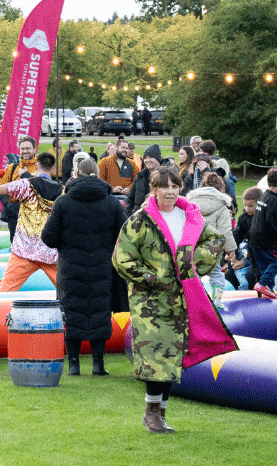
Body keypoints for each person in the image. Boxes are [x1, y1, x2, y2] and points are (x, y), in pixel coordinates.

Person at [112, 165, 237, 434]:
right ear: (153, 190)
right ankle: (151, 413)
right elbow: (121, 257)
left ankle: (160, 414)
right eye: (163, 186)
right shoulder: (140, 220)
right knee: (156, 355)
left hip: (180, 297)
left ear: (181, 188)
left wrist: (189, 266)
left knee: (172, 358)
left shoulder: (190, 216)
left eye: (174, 186)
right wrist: (150, 278)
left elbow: (214, 242)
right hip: (150, 300)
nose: (169, 191)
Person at [39, 157, 125, 376]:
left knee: (71, 313)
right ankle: (98, 364)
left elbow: (48, 237)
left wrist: (67, 243)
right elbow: (125, 235)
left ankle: (74, 365)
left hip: (70, 269)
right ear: (98, 174)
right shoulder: (112, 202)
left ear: (75, 174)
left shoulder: (63, 202)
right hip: (102, 268)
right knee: (99, 312)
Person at [0, 151, 61, 291]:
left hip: (24, 252)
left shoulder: (26, 185)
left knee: (3, 292)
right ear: (53, 168)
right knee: (69, 291)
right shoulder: (62, 191)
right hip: (51, 253)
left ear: (36, 165)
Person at [187, 172, 236, 306]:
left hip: (193, 247)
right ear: (221, 189)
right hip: (213, 248)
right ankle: (217, 301)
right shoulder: (221, 206)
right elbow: (225, 231)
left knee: (195, 275)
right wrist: (231, 250)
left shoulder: (191, 204)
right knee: (217, 275)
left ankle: (194, 301)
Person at [249, 168, 277, 300]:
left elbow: (276, 219)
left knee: (266, 267)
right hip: (267, 241)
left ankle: (268, 292)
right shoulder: (274, 200)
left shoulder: (264, 196)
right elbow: (273, 223)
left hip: (255, 239)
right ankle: (263, 285)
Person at [0, 136, 38, 242]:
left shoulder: (40, 167)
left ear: (34, 149)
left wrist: (26, 175)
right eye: (22, 149)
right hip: (14, 215)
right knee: (15, 245)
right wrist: (9, 205)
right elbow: (1, 189)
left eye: (28, 148)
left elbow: (42, 188)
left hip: (34, 215)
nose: (25, 151)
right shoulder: (12, 167)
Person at [129, 145, 163, 211]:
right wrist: (129, 215)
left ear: (158, 158)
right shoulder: (140, 176)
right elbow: (130, 199)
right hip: (137, 216)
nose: (147, 160)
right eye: (145, 158)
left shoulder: (165, 176)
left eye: (150, 157)